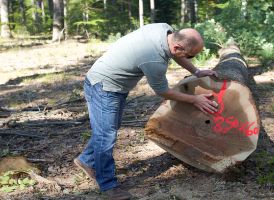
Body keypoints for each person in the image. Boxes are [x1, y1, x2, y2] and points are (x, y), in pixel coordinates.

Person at [74, 23, 218, 200]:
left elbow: (177, 54)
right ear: (178, 46)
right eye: (191, 55)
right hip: (103, 87)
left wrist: (196, 71)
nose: (191, 58)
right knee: (106, 136)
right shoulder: (154, 59)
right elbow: (162, 92)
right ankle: (108, 185)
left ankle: (86, 160)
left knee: (109, 128)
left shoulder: (164, 30)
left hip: (112, 84)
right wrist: (195, 99)